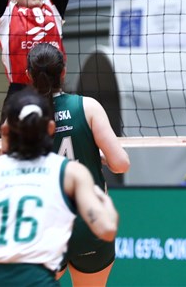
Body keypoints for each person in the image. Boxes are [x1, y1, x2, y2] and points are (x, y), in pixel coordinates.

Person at [0, 88, 119, 287]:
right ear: (50, 129)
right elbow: (106, 229)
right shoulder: (65, 172)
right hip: (38, 279)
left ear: (5, 131)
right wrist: (104, 201)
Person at [26, 42, 130, 286]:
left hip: (46, 225)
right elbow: (121, 165)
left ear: (29, 75)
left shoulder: (23, 116)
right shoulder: (88, 107)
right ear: (63, 71)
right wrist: (97, 156)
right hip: (89, 223)